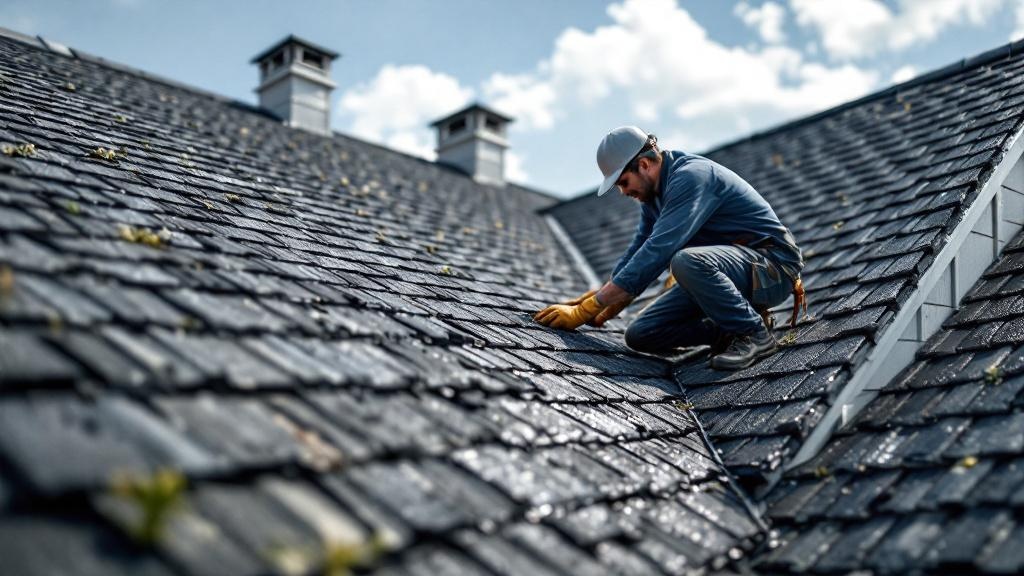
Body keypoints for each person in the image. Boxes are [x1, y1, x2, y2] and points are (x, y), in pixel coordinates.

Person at [534, 126, 805, 370]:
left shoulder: (691, 178)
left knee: (686, 261)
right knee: (641, 333)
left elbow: (659, 251)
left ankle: (755, 333)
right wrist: (604, 296)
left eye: (623, 183)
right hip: (730, 276)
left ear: (644, 165)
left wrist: (586, 310)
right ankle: (726, 330)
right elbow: (639, 250)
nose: (623, 192)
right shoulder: (654, 196)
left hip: (773, 268)